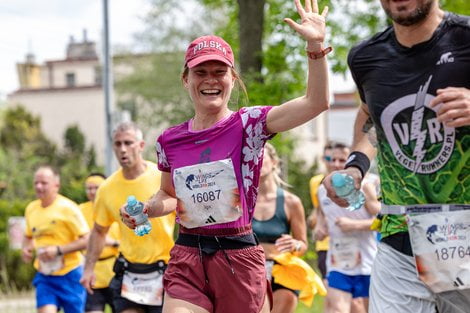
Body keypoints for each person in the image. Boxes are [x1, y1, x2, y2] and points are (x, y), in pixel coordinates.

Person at [120, 0, 331, 312]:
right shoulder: (170, 140)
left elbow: (317, 102)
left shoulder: (250, 125)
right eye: (200, 72)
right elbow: (169, 194)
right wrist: (149, 208)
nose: (210, 80)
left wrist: (315, 45)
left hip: (238, 257)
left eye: (219, 72)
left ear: (233, 79)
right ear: (186, 80)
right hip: (188, 255)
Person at [322, 1, 470, 312]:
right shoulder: (366, 57)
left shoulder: (465, 37)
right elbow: (371, 116)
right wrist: (355, 167)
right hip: (399, 233)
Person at [80, 122, 176, 313]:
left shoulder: (161, 176)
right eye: (117, 144)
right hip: (129, 270)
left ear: (141, 145)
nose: (122, 149)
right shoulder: (107, 188)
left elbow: (181, 209)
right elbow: (99, 231)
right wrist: (89, 269)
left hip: (164, 268)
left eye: (128, 143)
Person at [314, 142, 380, 313]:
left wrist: (354, 225)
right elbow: (321, 220)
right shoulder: (322, 190)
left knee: (370, 309)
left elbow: (386, 222)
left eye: (341, 159)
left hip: (368, 261)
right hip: (339, 261)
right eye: (332, 159)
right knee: (337, 309)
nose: (335, 164)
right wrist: (319, 231)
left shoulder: (369, 184)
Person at [22, 165, 90, 313]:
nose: (39, 186)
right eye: (36, 183)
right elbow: (28, 236)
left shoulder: (68, 208)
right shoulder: (31, 208)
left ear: (56, 185)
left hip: (70, 274)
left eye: (44, 183)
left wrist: (58, 250)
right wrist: (26, 249)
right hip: (45, 275)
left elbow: (87, 240)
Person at [252, 143, 308, 313]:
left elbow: (303, 245)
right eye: (252, 158)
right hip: (249, 270)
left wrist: (295, 245)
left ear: (274, 162)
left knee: (286, 299)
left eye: (261, 158)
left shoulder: (291, 202)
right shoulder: (240, 201)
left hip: (282, 272)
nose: (256, 162)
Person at [79, 173, 120, 313]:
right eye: (88, 188)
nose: (92, 191)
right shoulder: (79, 210)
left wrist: (113, 243)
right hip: (92, 271)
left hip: (114, 270)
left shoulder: (116, 207)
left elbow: (129, 240)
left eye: (96, 187)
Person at [307, 141, 333, 283]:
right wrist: (313, 221)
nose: (332, 163)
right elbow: (318, 209)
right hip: (324, 243)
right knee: (327, 284)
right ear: (323, 159)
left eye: (337, 159)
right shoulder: (316, 182)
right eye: (328, 159)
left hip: (348, 238)